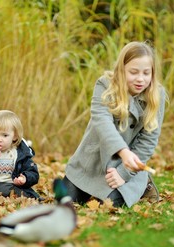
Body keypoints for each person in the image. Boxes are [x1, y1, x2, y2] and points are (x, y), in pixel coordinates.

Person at [64, 41, 167, 207]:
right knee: (65, 200)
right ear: (122, 69)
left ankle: (142, 184)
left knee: (107, 204)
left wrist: (124, 173)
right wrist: (124, 152)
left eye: (146, 73)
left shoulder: (157, 95)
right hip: (93, 160)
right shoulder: (105, 84)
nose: (140, 79)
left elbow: (148, 140)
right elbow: (102, 122)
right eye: (133, 72)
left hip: (127, 167)